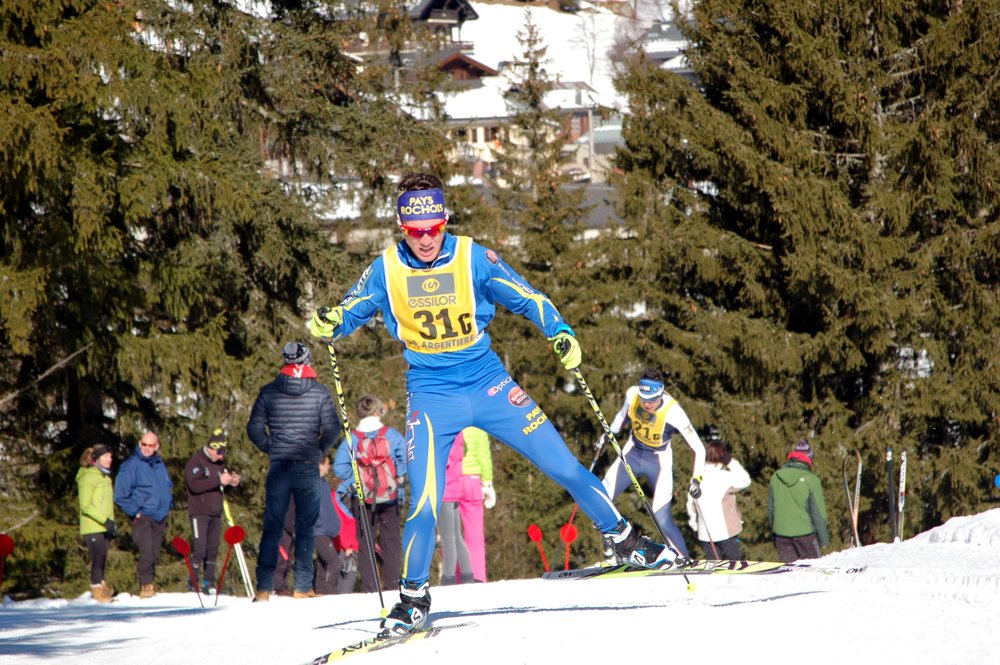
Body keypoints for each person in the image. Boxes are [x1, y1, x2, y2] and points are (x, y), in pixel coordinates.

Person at [309, 172, 679, 636]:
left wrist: (560, 332)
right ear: (402, 227)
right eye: (415, 230)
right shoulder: (386, 267)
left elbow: (527, 297)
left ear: (444, 220)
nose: (425, 239)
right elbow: (354, 308)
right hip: (431, 395)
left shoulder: (472, 257)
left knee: (563, 466)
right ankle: (412, 598)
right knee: (423, 501)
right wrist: (333, 320)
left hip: (489, 384)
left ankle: (626, 540)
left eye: (433, 228)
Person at [246, 341, 340, 602]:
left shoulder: (269, 392)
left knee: (273, 527)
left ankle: (264, 588)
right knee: (306, 527)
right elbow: (333, 430)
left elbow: (254, 429)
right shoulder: (320, 393)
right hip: (307, 465)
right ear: (307, 361)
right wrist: (317, 451)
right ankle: (301, 587)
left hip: (280, 465)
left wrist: (272, 448)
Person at [598, 368, 706, 559]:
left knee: (661, 518)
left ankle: (684, 560)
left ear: (661, 393)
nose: (647, 403)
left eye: (652, 399)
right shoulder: (632, 395)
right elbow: (621, 418)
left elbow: (699, 448)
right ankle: (611, 548)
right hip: (632, 454)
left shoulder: (674, 412)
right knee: (601, 497)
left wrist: (697, 479)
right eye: (644, 398)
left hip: (659, 461)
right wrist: (607, 436)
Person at [333, 395, 407, 593]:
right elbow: (406, 457)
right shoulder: (391, 434)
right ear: (377, 412)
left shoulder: (353, 439)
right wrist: (398, 476)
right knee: (391, 541)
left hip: (362, 496)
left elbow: (339, 468)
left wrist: (356, 478)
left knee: (366, 543)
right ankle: (392, 585)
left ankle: (370, 587)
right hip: (390, 496)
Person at [114, 431, 173, 599]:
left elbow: (165, 487)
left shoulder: (159, 464)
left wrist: (168, 505)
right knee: (146, 550)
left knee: (154, 552)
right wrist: (135, 511)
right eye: (144, 444)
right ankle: (145, 585)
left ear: (157, 446)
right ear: (140, 444)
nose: (147, 448)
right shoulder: (131, 465)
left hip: (160, 514)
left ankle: (150, 582)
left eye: (151, 445)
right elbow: (120, 495)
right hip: (143, 515)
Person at [184, 428, 240, 595]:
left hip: (216, 511)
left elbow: (221, 487)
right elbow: (194, 485)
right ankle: (192, 581)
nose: (221, 456)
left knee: (212, 548)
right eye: (220, 452)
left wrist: (231, 483)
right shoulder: (196, 461)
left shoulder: (220, 465)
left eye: (224, 452)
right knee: (200, 548)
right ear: (211, 448)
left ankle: (209, 582)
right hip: (199, 511)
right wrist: (218, 480)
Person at [685, 427, 751, 560]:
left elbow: (690, 503)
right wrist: (730, 461)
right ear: (723, 456)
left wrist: (694, 524)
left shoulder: (697, 477)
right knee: (734, 564)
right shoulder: (725, 477)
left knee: (715, 568)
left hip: (705, 533)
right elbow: (746, 480)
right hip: (726, 532)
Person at [768, 439, 830, 562]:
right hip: (805, 535)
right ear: (809, 459)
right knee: (814, 571)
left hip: (781, 535)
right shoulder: (811, 480)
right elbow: (818, 514)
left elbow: (771, 510)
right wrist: (824, 540)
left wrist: (774, 531)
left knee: (790, 575)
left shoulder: (775, 477)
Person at [77, 444, 116, 603]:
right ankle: (97, 591)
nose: (109, 460)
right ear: (97, 458)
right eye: (106, 456)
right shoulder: (88, 477)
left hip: (104, 525)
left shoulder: (104, 477)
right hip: (92, 525)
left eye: (110, 456)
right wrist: (104, 520)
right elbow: (85, 505)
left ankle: (102, 588)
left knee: (103, 557)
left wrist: (110, 522)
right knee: (97, 558)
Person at [456, 427, 495, 582]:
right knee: (475, 534)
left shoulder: (449, 419)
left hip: (452, 479)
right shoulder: (478, 426)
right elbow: (484, 455)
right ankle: (477, 576)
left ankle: (456, 576)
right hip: (472, 480)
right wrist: (487, 482)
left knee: (452, 533)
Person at [438, 432, 474, 584]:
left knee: (448, 540)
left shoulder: (446, 437)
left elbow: (442, 462)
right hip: (455, 488)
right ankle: (467, 574)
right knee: (456, 536)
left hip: (445, 491)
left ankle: (448, 577)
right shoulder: (458, 434)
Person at [312, 456, 342, 595]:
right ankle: (329, 591)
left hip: (325, 530)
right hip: (318, 530)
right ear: (320, 465)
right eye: (327, 464)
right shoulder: (312, 483)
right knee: (334, 561)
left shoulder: (323, 483)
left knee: (323, 563)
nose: (328, 467)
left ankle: (320, 590)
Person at [331, 478, 359, 593]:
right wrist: (348, 546)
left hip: (347, 546)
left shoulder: (339, 500)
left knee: (346, 577)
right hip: (343, 547)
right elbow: (341, 525)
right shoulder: (336, 501)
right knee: (348, 577)